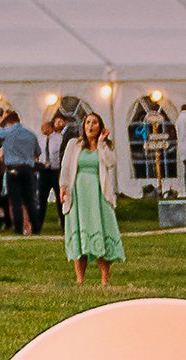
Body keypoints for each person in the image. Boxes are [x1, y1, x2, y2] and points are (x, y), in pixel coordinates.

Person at [59, 110, 122, 285]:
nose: (91, 126)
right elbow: (66, 167)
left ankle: (104, 278)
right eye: (88, 123)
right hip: (78, 192)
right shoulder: (74, 144)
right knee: (78, 231)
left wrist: (101, 143)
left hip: (98, 192)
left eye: (94, 123)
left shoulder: (106, 146)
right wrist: (63, 186)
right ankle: (80, 278)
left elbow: (111, 163)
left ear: (100, 127)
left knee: (101, 228)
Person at [0, 108, 41, 236]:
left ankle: (19, 228)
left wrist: (2, 118)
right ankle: (35, 227)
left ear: (8, 122)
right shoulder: (31, 134)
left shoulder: (7, 132)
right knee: (30, 200)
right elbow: (37, 153)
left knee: (16, 201)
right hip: (28, 169)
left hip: (13, 168)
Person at [37, 112, 67, 223]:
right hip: (44, 171)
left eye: (44, 128)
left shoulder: (59, 139)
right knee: (41, 198)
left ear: (50, 128)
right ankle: (39, 223)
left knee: (59, 197)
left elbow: (61, 153)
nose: (42, 130)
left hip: (55, 171)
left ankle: (63, 221)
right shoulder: (40, 139)